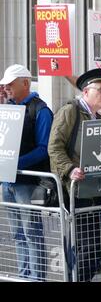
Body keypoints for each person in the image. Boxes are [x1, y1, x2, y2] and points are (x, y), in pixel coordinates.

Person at [48, 68, 101, 282]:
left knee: (93, 244)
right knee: (87, 243)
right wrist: (70, 169)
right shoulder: (71, 111)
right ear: (86, 92)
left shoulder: (97, 116)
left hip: (93, 188)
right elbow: (54, 147)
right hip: (74, 189)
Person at [0, 64, 53, 281]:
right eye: (5, 84)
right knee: (18, 234)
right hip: (8, 181)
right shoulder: (9, 107)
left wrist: (13, 163)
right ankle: (24, 276)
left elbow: (44, 148)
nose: (6, 88)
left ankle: (36, 278)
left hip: (27, 181)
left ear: (25, 83)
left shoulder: (40, 110)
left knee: (31, 234)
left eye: (10, 84)